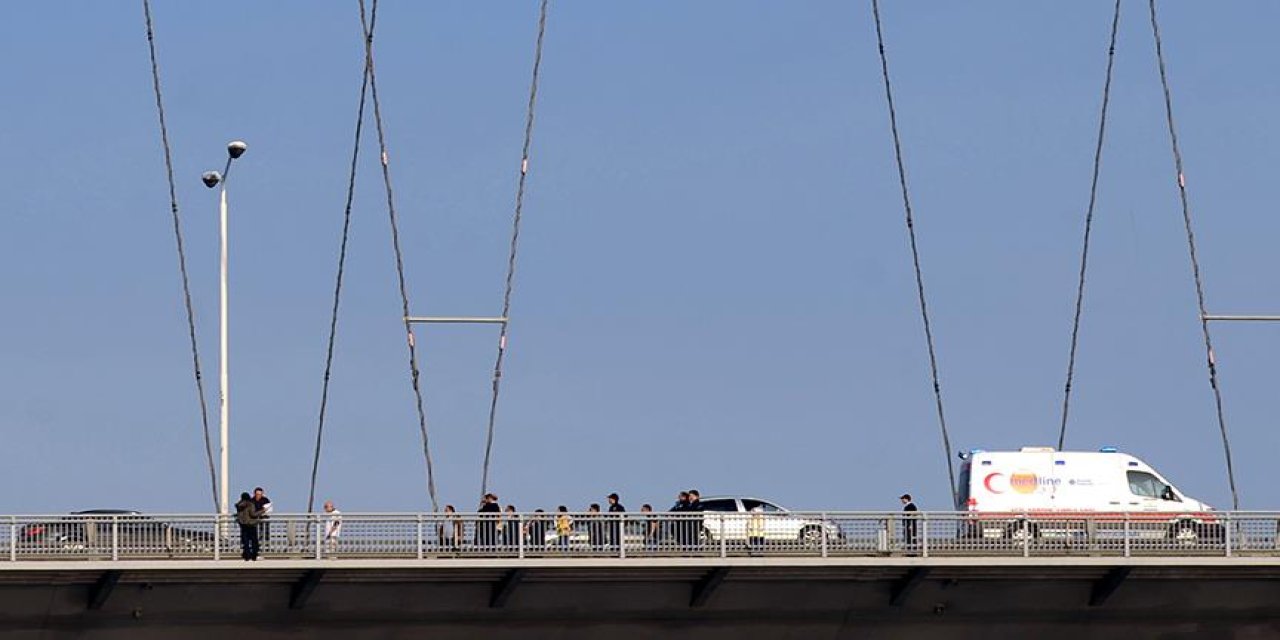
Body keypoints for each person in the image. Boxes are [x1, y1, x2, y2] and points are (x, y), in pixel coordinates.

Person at [234, 492, 262, 561]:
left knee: (245, 541)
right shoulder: (250, 504)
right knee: (254, 541)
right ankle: (254, 555)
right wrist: (262, 511)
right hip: (251, 524)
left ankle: (247, 555)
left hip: (243, 525)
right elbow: (253, 514)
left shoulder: (239, 505)